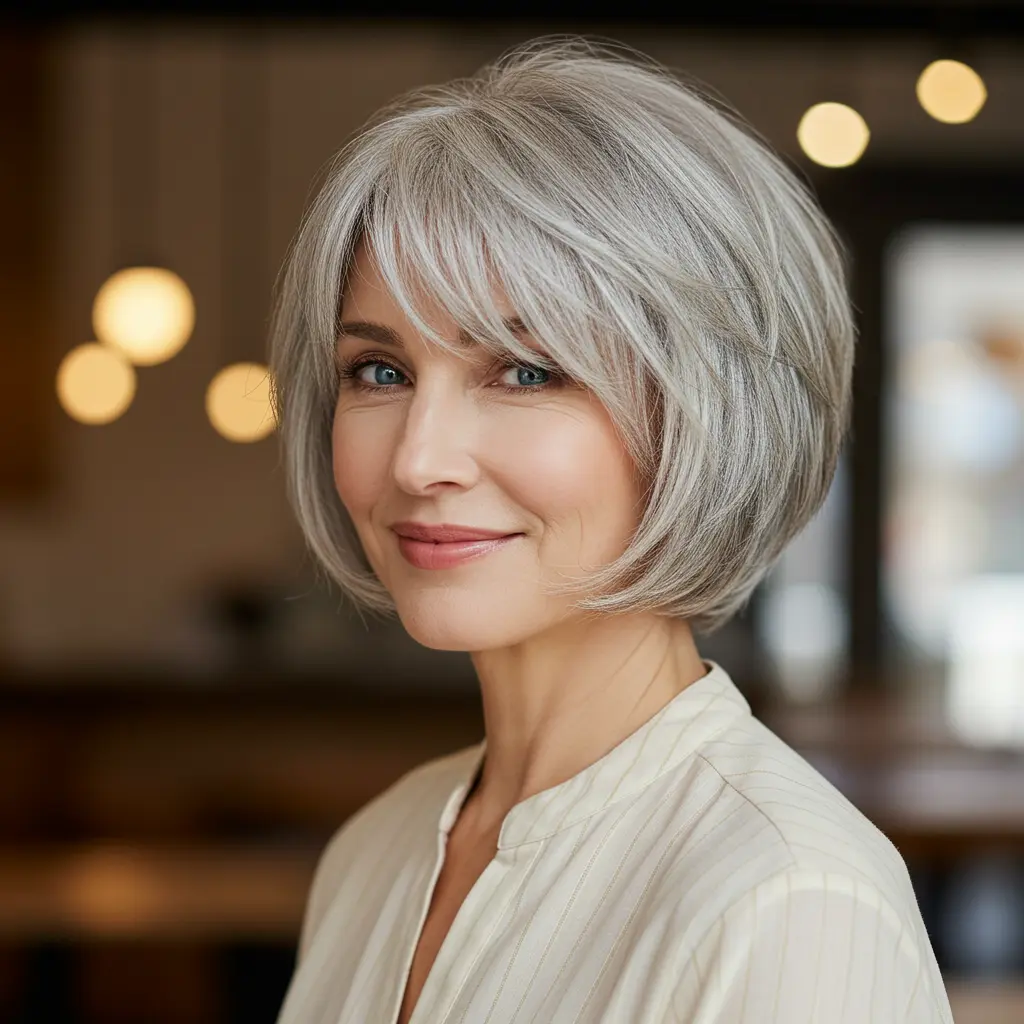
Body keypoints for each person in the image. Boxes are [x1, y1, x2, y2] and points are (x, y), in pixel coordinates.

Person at [269, 36, 953, 1024]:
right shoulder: (373, 851)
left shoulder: (790, 903)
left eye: (524, 370)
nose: (419, 459)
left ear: (702, 414)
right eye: (381, 371)